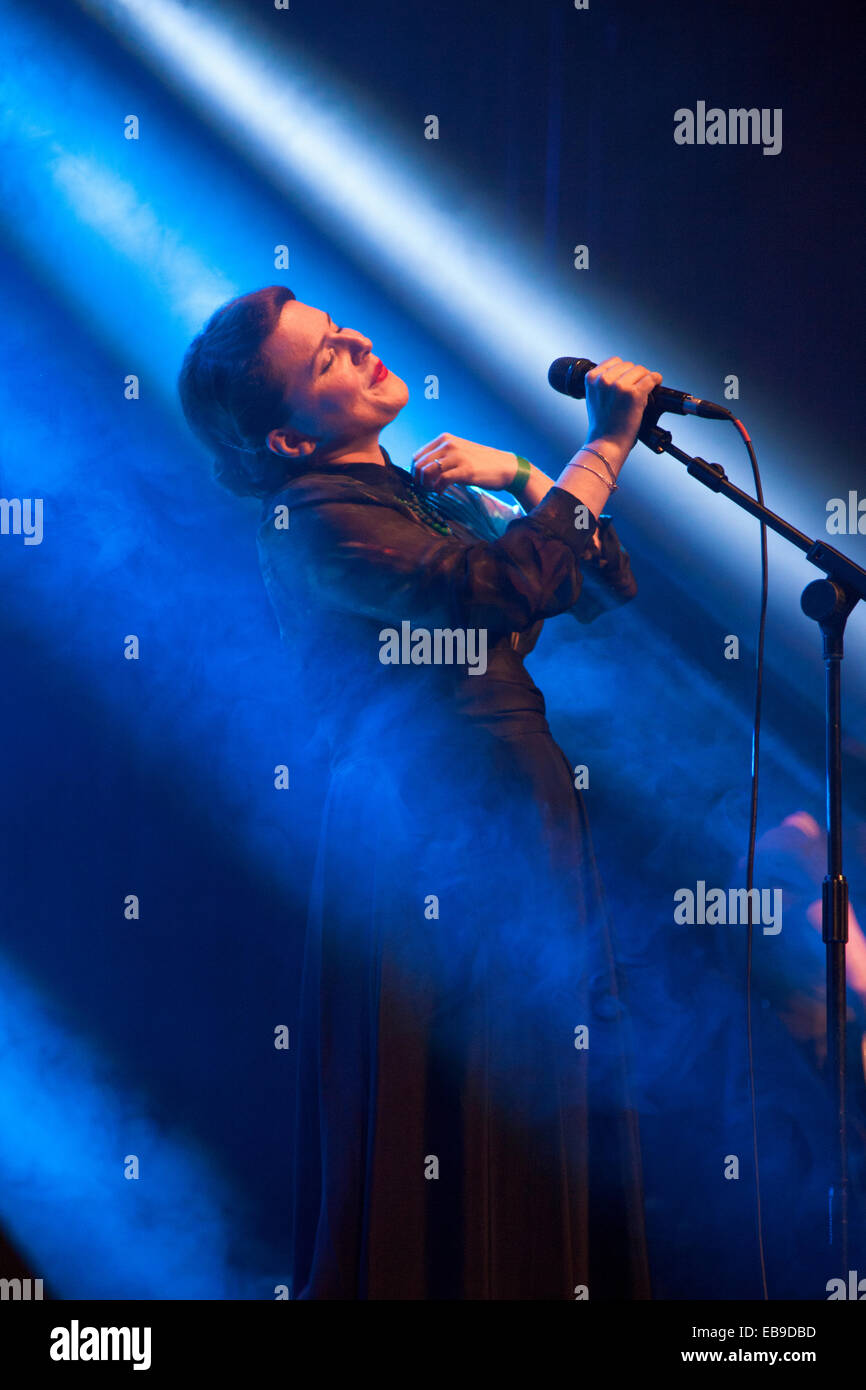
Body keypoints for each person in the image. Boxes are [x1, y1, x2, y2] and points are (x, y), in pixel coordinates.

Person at [178, 284, 663, 1300]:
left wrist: (526, 473)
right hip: (429, 831)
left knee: (537, 1097)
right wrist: (601, 448)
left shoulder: (412, 496)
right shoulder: (310, 517)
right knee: (462, 1098)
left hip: (505, 807)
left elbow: (599, 580)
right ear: (288, 440)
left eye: (339, 327)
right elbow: (487, 593)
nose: (356, 340)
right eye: (323, 359)